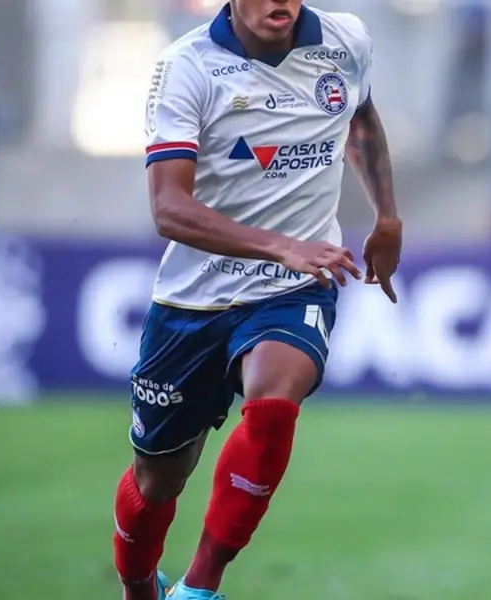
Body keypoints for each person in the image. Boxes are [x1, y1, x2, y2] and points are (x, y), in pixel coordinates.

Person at [113, 1, 401, 599]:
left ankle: (200, 586)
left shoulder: (345, 39)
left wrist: (387, 215)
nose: (281, 3)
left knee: (275, 402)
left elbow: (361, 119)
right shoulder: (187, 66)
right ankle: (138, 583)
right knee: (157, 479)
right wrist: (278, 246)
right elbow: (168, 207)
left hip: (294, 287)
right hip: (195, 300)